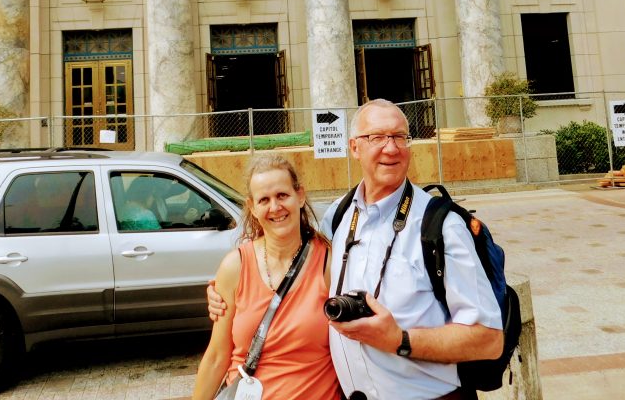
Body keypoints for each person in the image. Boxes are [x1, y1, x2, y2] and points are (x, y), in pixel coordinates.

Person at [210, 99, 503, 400]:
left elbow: (489, 339)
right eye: (377, 137)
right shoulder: (337, 218)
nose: (391, 148)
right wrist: (223, 289)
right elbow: (286, 258)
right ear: (354, 148)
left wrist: (399, 340)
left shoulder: (441, 226)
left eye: (400, 136)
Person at [192, 153, 340, 400]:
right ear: (252, 207)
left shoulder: (329, 263)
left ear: (300, 196)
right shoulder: (235, 266)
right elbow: (217, 357)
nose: (275, 207)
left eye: (282, 195)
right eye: (264, 199)